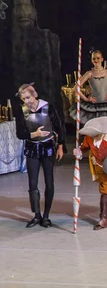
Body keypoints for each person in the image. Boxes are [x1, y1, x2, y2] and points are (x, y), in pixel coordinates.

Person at [14, 83, 65, 228]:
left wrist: (60, 145)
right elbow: (20, 134)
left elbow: (59, 126)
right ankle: (36, 215)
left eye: (28, 97)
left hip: (48, 147)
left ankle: (46, 215)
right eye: (23, 99)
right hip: (32, 147)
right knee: (32, 182)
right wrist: (34, 134)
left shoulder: (48, 107)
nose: (26, 101)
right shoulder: (22, 111)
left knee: (49, 181)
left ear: (35, 95)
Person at [69, 50, 107, 125]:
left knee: (106, 128)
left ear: (102, 59)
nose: (96, 60)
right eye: (94, 58)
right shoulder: (89, 73)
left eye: (98, 58)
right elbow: (76, 88)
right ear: (91, 60)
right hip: (94, 104)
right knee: (95, 127)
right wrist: (86, 99)